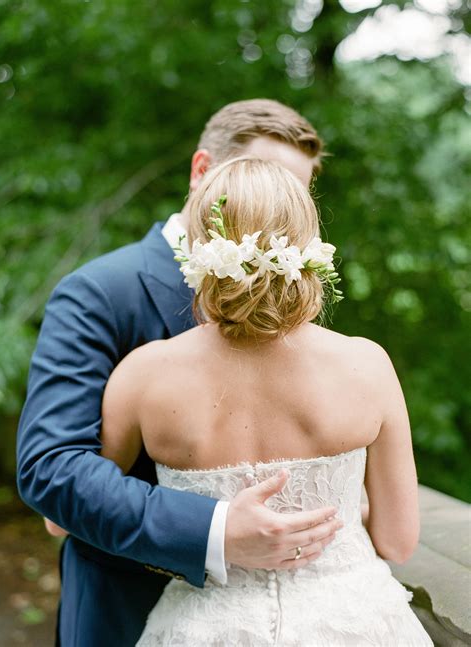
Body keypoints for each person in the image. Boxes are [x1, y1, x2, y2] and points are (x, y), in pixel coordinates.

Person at [16, 99, 341, 646]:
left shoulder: (295, 297)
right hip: (126, 606)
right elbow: (51, 467)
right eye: (262, 183)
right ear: (201, 172)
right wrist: (214, 531)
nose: (276, 215)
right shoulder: (101, 293)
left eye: (294, 197)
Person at [95, 156, 432, 645]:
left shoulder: (143, 373)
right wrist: (333, 511)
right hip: (353, 621)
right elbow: (399, 542)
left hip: (204, 627)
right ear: (308, 244)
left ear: (198, 246)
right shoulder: (367, 365)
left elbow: (72, 512)